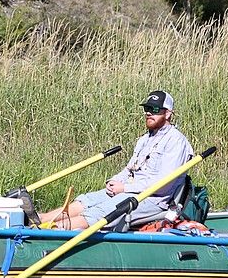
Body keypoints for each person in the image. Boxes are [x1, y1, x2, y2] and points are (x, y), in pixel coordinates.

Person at [38, 90, 194, 230]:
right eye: (147, 109)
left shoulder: (176, 141)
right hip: (129, 191)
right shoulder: (145, 139)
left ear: (167, 113)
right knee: (87, 200)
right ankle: (40, 219)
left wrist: (125, 188)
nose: (148, 113)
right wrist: (113, 182)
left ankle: (52, 230)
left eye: (154, 110)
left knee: (99, 212)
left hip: (152, 199)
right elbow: (129, 169)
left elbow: (164, 183)